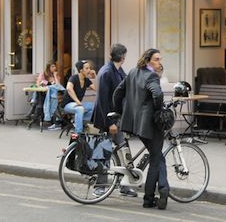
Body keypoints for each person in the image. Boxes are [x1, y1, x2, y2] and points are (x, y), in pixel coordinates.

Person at [113, 48, 168, 210]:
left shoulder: (133, 72)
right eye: (156, 59)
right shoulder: (151, 76)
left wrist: (119, 111)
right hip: (149, 124)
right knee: (156, 160)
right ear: (147, 60)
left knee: (157, 156)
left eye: (160, 59)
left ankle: (164, 189)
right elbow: (157, 95)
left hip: (135, 123)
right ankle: (149, 198)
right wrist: (159, 110)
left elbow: (118, 93)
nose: (159, 62)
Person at [91, 44, 137, 197]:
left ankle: (124, 185)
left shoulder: (117, 70)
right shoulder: (106, 72)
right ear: (123, 57)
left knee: (123, 151)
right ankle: (100, 186)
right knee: (104, 151)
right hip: (107, 119)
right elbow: (103, 100)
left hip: (116, 118)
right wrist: (110, 123)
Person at [61, 60, 96, 134]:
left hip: (78, 104)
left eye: (89, 68)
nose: (89, 70)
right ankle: (78, 133)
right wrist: (77, 101)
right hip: (68, 104)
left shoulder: (86, 80)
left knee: (95, 106)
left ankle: (77, 121)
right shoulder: (73, 78)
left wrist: (94, 77)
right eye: (87, 68)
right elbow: (69, 88)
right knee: (80, 109)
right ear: (81, 70)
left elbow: (96, 88)